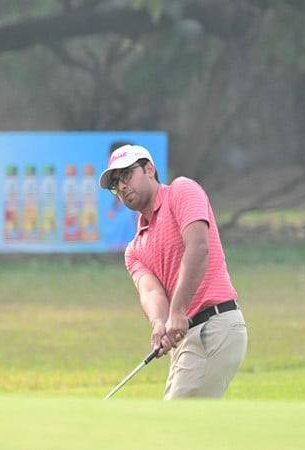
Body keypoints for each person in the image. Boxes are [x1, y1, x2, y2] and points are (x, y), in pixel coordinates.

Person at [98, 144, 248, 399]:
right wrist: (159, 322)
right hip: (188, 338)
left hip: (213, 325)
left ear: (149, 169)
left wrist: (177, 311)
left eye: (126, 175)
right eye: (115, 183)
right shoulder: (134, 249)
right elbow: (151, 291)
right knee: (187, 429)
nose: (121, 187)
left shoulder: (182, 191)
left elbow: (198, 247)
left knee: (174, 425)